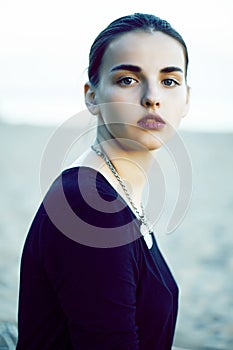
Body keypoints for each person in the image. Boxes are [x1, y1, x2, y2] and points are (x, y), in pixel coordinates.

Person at [16, 12, 190, 350]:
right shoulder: (88, 209)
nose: (152, 97)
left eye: (169, 81)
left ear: (187, 99)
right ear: (92, 96)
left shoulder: (111, 195)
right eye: (127, 79)